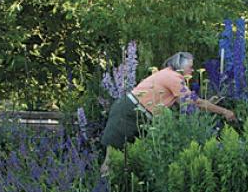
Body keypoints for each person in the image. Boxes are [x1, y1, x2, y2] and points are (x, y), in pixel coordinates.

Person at [100, 51, 236, 175]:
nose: (193, 70)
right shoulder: (173, 77)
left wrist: (209, 103)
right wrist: (224, 112)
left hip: (132, 112)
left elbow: (187, 103)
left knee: (125, 160)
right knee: (111, 159)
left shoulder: (167, 74)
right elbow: (196, 103)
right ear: (180, 67)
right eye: (190, 67)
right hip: (128, 114)